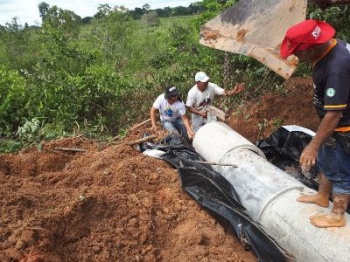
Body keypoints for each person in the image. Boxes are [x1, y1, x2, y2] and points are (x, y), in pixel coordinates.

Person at [280, 19, 350, 228]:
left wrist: (313, 145)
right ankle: (322, 196)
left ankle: (337, 215)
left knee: (340, 171)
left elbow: (334, 114)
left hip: (343, 126)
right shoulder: (329, 48)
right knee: (327, 160)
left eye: (298, 52)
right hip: (334, 124)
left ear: (312, 47)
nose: (296, 56)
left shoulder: (337, 67)